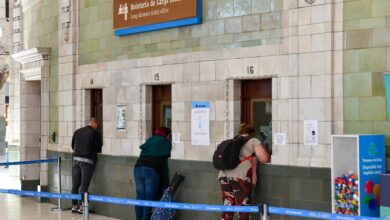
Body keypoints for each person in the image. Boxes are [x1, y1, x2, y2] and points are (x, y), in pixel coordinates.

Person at [218, 123, 270, 220]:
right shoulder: (253, 140)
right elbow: (264, 158)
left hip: (223, 175)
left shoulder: (232, 141)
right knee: (243, 209)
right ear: (252, 133)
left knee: (227, 207)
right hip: (241, 177)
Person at [134, 127, 172, 220]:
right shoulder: (165, 142)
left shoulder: (150, 140)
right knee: (148, 199)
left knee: (140, 197)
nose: (170, 138)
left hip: (138, 169)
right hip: (151, 171)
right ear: (166, 135)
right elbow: (168, 154)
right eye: (170, 136)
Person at [71, 118, 102, 213]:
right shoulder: (94, 133)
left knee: (75, 184)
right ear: (94, 124)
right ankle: (82, 207)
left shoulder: (77, 131)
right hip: (87, 161)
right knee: (84, 185)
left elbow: (72, 146)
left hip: (76, 160)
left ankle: (74, 206)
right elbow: (98, 148)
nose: (97, 127)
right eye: (97, 125)